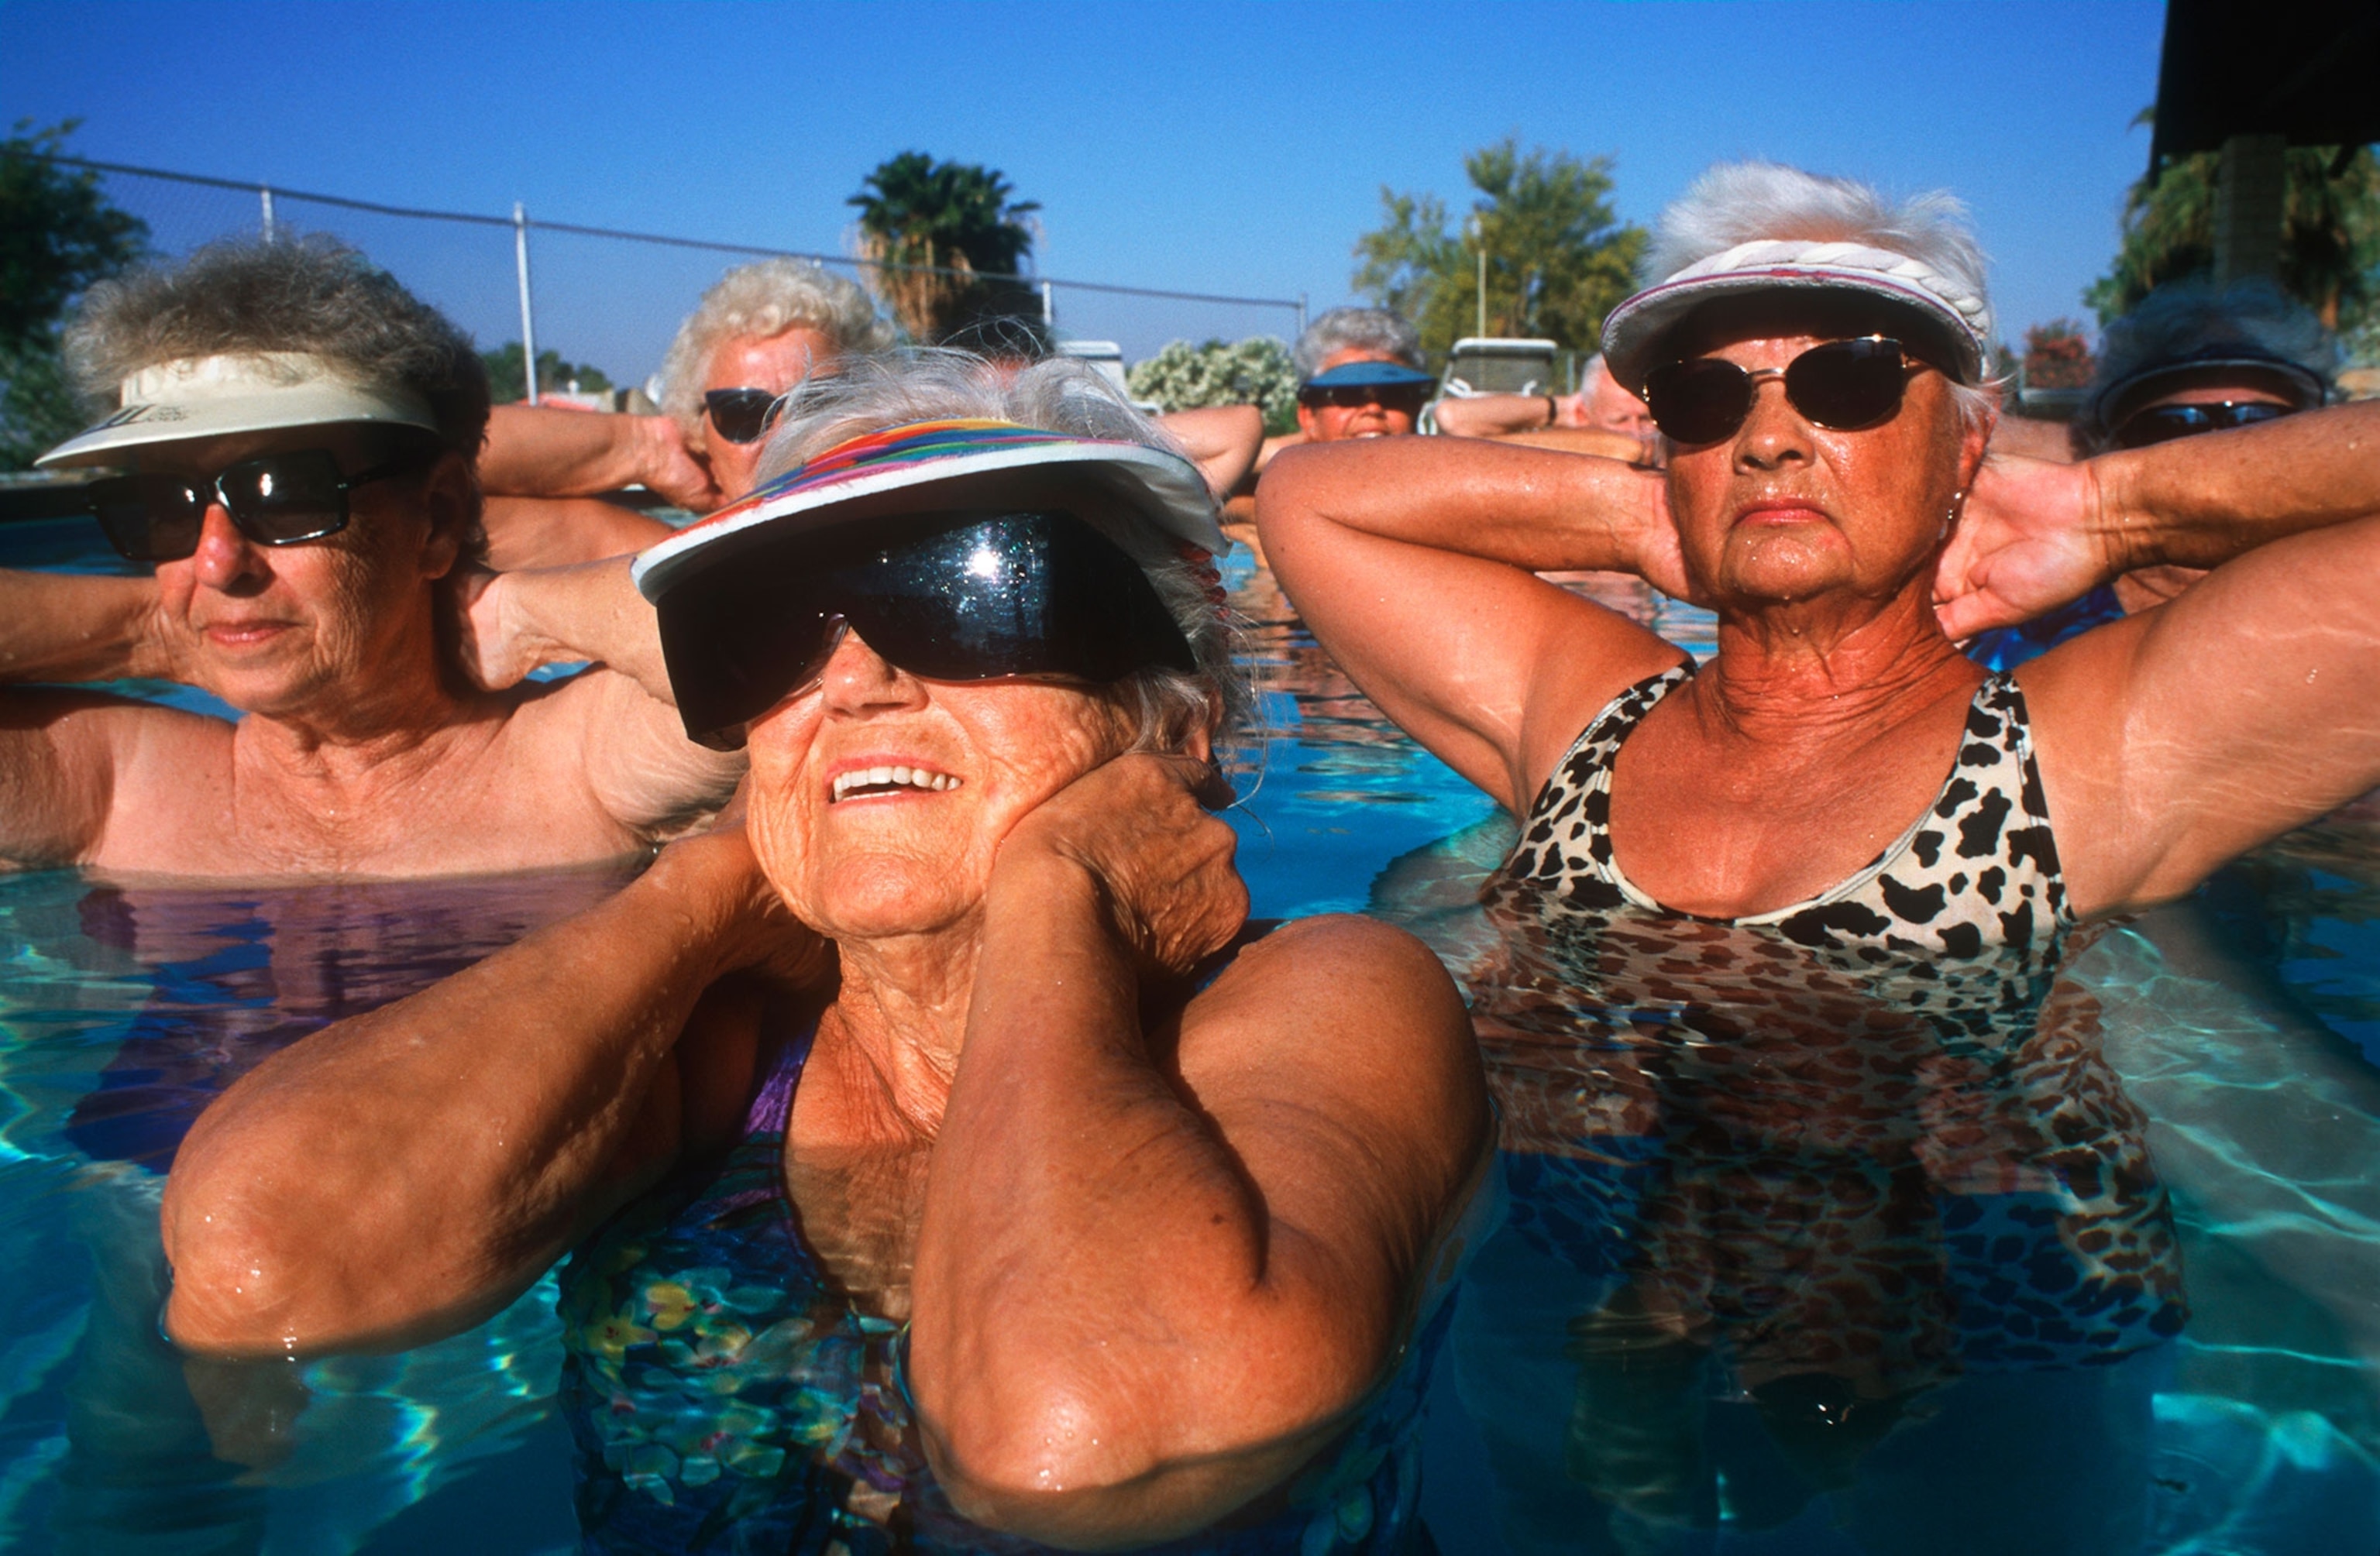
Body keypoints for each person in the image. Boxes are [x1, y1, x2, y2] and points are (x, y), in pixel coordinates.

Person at [159, 356, 1493, 1551]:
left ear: (1181, 716)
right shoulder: (716, 1039)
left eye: (975, 594)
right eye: (774, 629)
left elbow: (1074, 1442)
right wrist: (705, 884)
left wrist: (1058, 892)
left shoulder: (1328, 998)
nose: (852, 685)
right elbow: (265, 1266)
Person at [1259, 158, 2380, 1544]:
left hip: (1970, 1356)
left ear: (1967, 441)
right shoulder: (1588, 714)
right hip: (1585, 1305)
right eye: (1708, 397)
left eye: (1849, 380)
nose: (1770, 437)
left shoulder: (2083, 751)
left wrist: (2108, 510)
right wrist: (1656, 510)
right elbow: (1313, 492)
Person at [6, 237, 742, 877]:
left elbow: (786, 634)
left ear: (436, 518)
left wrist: (520, 614)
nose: (215, 561)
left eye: (283, 494)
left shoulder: (572, 764)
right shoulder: (120, 785)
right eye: (167, 507)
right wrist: (160, 631)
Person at [1962, 277, 2340, 669]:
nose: (2217, 460)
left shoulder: (2346, 615)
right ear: (2110, 447)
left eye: (2260, 427)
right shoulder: (2024, 627)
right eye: (2174, 427)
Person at [476, 259, 899, 567]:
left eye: (820, 402)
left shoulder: (920, 532)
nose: (785, 434)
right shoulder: (673, 569)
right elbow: (431, 485)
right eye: (744, 413)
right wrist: (646, 449)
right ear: (700, 436)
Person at [1429, 352, 1657, 452]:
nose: (1636, 432)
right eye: (1620, 420)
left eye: (1646, 418)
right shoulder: (1566, 454)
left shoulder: (1667, 450)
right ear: (1585, 415)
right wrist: (1562, 410)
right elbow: (1453, 418)